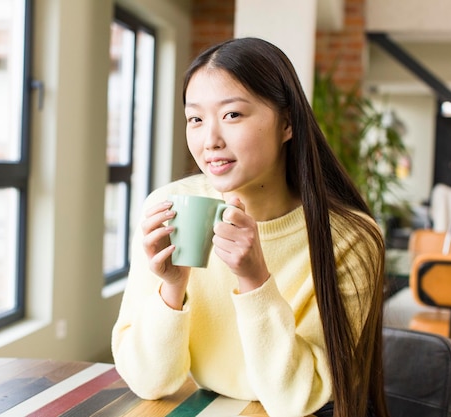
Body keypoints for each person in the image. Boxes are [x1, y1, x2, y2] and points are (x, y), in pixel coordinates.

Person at [111, 37, 389, 417]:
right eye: (195, 119)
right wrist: (172, 287)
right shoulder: (170, 208)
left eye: (232, 115)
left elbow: (296, 400)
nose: (210, 141)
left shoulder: (350, 238)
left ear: (287, 123)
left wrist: (255, 280)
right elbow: (149, 383)